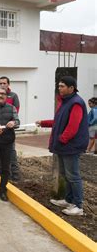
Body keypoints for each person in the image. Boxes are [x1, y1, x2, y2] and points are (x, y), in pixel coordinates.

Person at [36, 76, 88, 216]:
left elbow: (72, 127)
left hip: (71, 146)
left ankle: (78, 206)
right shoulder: (65, 102)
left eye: (62, 86)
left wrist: (61, 140)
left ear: (71, 88)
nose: (59, 88)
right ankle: (69, 200)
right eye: (59, 86)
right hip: (64, 145)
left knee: (73, 176)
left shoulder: (76, 103)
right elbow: (59, 121)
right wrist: (43, 123)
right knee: (66, 174)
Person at [0, 76, 21, 181]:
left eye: (4, 83)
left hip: (8, 131)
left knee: (11, 152)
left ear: (8, 84)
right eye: (0, 83)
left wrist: (12, 123)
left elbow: (16, 112)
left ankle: (14, 173)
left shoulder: (13, 96)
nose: (2, 85)